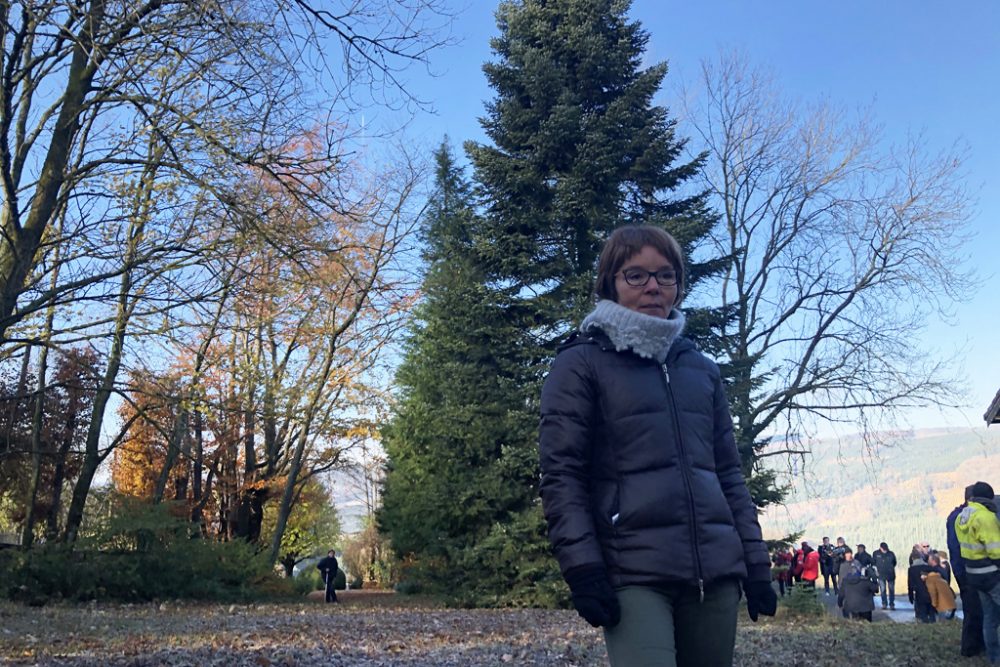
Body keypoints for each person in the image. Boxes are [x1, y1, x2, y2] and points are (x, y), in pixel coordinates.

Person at [538, 225, 776, 667]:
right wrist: (582, 568)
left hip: (714, 575)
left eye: (665, 275)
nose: (652, 286)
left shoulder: (701, 369)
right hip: (634, 572)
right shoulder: (581, 362)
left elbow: (728, 475)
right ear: (610, 282)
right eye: (636, 275)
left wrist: (756, 563)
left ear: (678, 286)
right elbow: (562, 476)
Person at [955, 481, 1000, 664]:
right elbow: (996, 551)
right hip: (991, 574)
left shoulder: (962, 517)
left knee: (989, 618)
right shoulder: (985, 517)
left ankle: (994, 658)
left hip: (973, 574)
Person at [948, 484, 986, 658]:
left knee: (975, 610)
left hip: (963, 569)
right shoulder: (964, 517)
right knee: (975, 610)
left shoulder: (955, 516)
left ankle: (975, 647)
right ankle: (971, 649)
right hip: (969, 570)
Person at [871, 541, 897, 610]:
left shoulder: (891, 554)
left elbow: (894, 562)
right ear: (880, 548)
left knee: (891, 590)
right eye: (883, 549)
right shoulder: (876, 553)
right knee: (883, 590)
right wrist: (876, 572)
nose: (885, 550)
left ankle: (892, 604)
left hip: (890, 575)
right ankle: (884, 603)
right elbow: (873, 563)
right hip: (881, 575)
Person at [909, 556, 935, 623]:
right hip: (931, 593)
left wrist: (911, 597)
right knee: (932, 612)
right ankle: (933, 624)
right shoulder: (929, 568)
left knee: (923, 613)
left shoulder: (912, 569)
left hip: (920, 594)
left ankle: (925, 624)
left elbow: (910, 584)